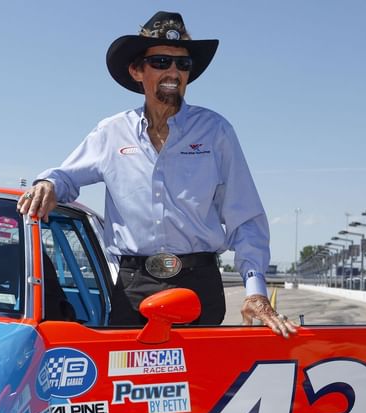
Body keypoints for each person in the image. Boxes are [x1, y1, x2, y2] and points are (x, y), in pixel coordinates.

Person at [18, 10, 296, 338]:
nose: (174, 72)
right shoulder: (111, 133)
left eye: (183, 64)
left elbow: (245, 218)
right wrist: (47, 183)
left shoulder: (216, 131)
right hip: (134, 288)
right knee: (128, 386)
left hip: (199, 287)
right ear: (137, 70)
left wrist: (256, 291)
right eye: (162, 61)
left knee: (204, 386)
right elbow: (66, 176)